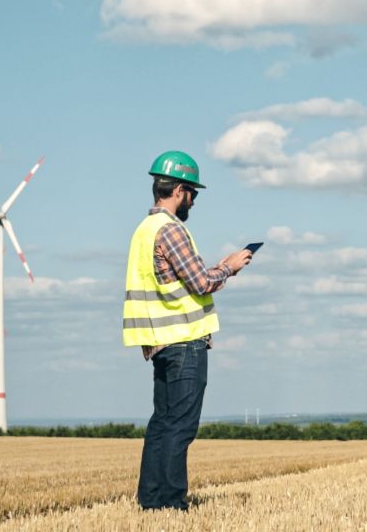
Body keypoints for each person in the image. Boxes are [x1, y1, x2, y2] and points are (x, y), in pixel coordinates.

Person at [122, 150, 253, 511]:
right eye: (192, 191)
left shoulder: (143, 231)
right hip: (183, 341)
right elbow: (199, 282)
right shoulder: (172, 229)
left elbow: (174, 280)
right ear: (179, 189)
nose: (193, 199)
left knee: (162, 424)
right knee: (181, 427)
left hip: (158, 343)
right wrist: (230, 268)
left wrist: (218, 268)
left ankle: (151, 502)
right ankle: (172, 504)